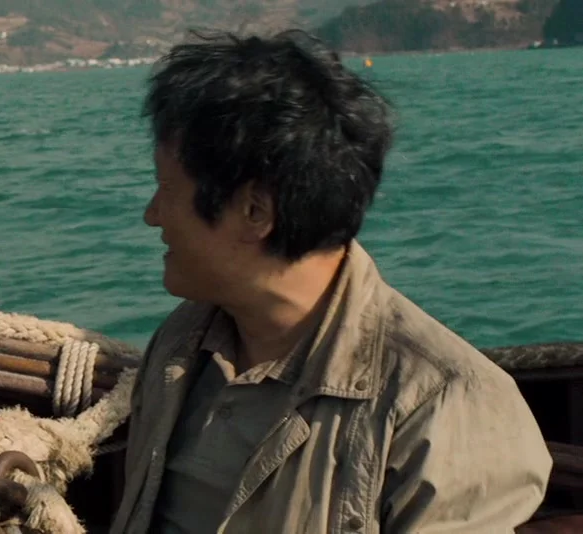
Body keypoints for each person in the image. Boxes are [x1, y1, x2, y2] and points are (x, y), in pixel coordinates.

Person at [110, 29, 552, 533]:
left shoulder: (444, 407)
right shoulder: (181, 344)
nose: (151, 214)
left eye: (166, 189)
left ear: (255, 212)